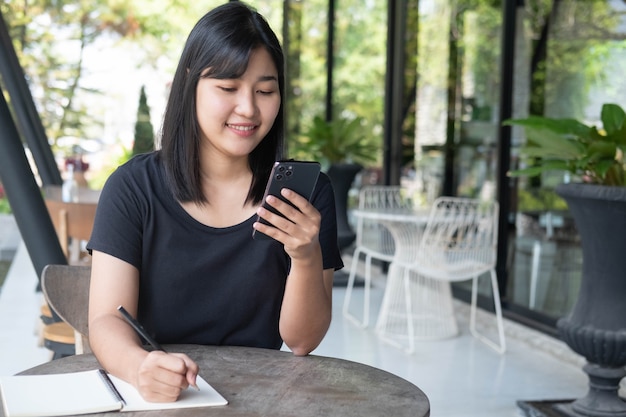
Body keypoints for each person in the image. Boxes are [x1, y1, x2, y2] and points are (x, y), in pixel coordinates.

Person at [87, 1, 343, 403]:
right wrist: (139, 367)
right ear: (190, 84)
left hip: (261, 399)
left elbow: (302, 342)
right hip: (160, 397)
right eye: (228, 88)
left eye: (265, 90)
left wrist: (306, 256)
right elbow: (105, 319)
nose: (249, 108)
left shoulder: (305, 197)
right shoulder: (133, 187)